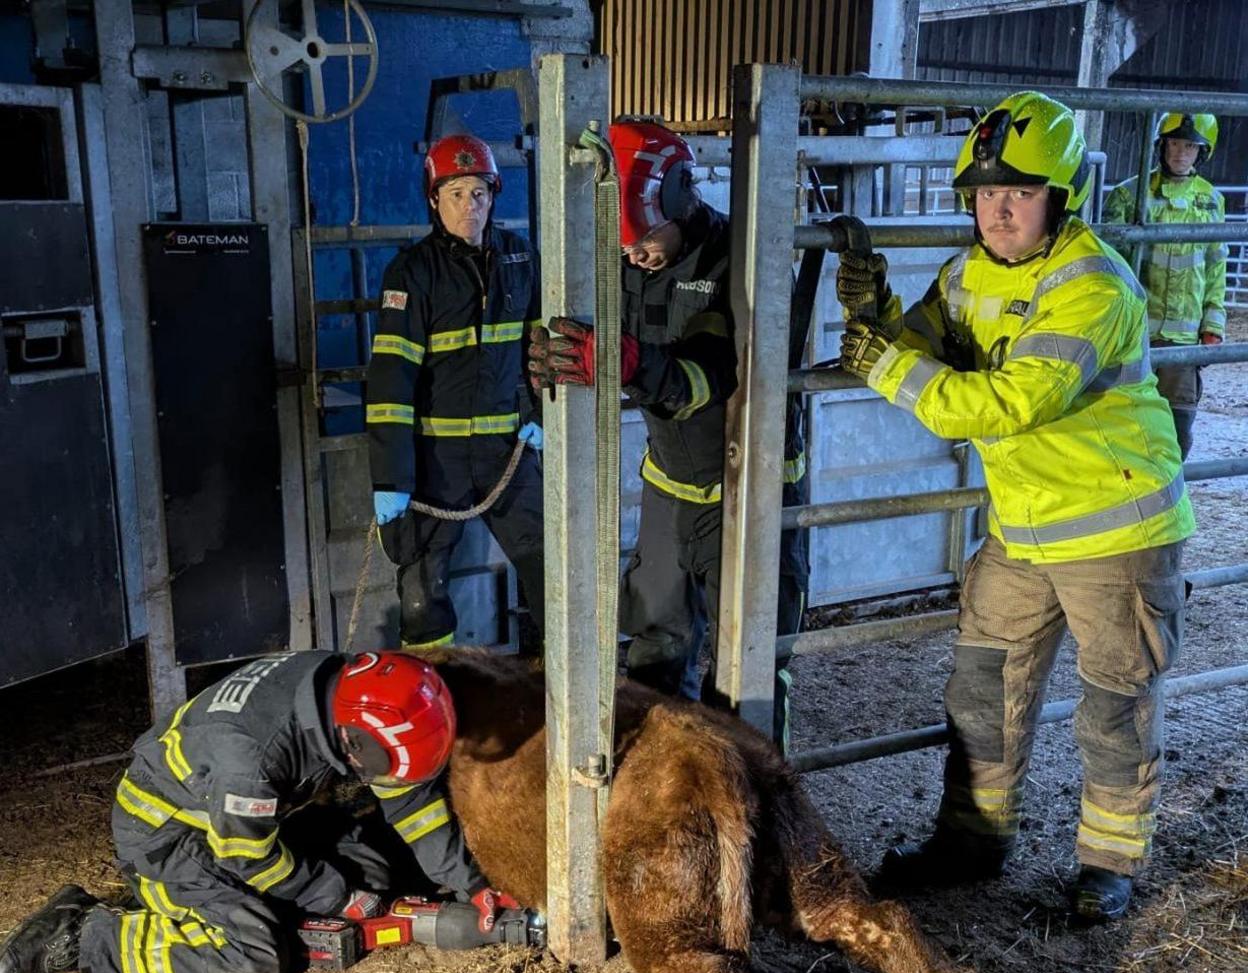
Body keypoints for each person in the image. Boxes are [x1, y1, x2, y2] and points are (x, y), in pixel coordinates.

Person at [837, 92, 1195, 921]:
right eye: (985, 192)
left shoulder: (1093, 288)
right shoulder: (968, 271)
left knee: (1114, 704)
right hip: (1022, 528)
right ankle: (974, 841)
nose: (997, 209)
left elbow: (1001, 405)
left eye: (1021, 192)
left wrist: (883, 364)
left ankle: (1109, 864)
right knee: (980, 690)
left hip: (1117, 530)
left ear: (1060, 196)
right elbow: (924, 345)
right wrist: (875, 312)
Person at [0, 651, 518, 973]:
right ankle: (86, 935)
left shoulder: (343, 689)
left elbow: (410, 802)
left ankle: (264, 908)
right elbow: (250, 856)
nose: (392, 782)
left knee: (374, 873)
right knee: (254, 959)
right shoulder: (249, 756)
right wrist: (338, 899)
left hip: (247, 816)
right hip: (170, 843)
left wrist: (469, 882)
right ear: (354, 741)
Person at [528, 119, 809, 749]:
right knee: (654, 648)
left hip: (751, 489)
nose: (636, 254)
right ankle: (659, 794)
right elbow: (576, 338)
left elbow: (711, 374)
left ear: (681, 196)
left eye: (647, 238)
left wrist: (624, 362)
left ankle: (761, 808)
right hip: (668, 487)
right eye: (625, 244)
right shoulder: (620, 259)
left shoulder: (742, 260)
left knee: (749, 669)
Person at [367, 133, 545, 650]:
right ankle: (437, 706)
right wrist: (391, 477)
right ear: (433, 199)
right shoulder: (412, 271)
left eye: (480, 192)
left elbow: (541, 346)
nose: (471, 205)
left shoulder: (520, 259)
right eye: (457, 193)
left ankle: (550, 698)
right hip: (435, 463)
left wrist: (542, 415)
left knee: (552, 573)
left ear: (494, 196)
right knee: (422, 593)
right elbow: (390, 381)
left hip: (507, 456)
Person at [1102, 113, 1226, 460]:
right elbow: (1111, 265)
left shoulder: (1211, 200)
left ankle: (1166, 499)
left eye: (1190, 145)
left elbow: (1216, 266)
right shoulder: (1130, 194)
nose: (1180, 153)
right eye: (1174, 143)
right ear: (1162, 146)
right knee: (1125, 423)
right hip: (1135, 333)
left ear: (1202, 152)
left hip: (1184, 340)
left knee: (1177, 432)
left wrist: (1213, 324)